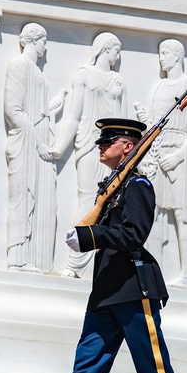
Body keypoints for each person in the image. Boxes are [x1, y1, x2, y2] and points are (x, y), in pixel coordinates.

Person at [24, 118, 184, 373]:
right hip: (107, 288)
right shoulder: (114, 190)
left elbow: (133, 234)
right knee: (90, 353)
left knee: (152, 364)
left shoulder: (138, 186)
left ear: (128, 146)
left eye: (107, 141)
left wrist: (91, 236)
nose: (100, 145)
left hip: (133, 287)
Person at [48, 33, 127, 278]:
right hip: (89, 145)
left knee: (111, 204)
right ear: (105, 49)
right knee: (88, 200)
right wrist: (60, 147)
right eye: (116, 50)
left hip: (114, 151)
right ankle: (74, 261)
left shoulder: (118, 81)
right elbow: (74, 115)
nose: (118, 56)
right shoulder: (84, 75)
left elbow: (125, 124)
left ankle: (101, 265)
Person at [135, 39, 187, 289]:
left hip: (178, 157)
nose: (161, 58)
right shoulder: (158, 87)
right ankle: (154, 273)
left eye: (165, 53)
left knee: (182, 216)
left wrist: (177, 157)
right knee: (154, 213)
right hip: (157, 154)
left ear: (177, 55)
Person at [4, 22, 57, 273]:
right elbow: (13, 111)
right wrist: (38, 143)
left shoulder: (37, 71)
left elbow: (39, 110)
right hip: (25, 143)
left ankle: (34, 259)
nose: (46, 47)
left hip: (38, 142)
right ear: (33, 40)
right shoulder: (19, 65)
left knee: (38, 203)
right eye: (43, 41)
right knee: (22, 199)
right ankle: (17, 257)